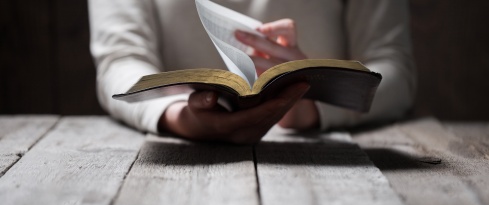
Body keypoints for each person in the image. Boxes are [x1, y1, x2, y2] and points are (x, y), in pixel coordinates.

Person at [88, 0, 415, 144]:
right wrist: (177, 117)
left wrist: (309, 101)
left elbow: (395, 69)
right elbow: (120, 61)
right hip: (182, 157)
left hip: (330, 164)